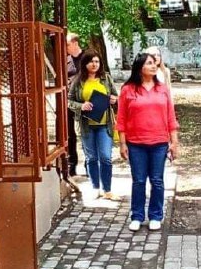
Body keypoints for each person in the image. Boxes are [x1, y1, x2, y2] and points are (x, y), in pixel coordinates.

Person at [116, 53, 179, 232]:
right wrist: (122, 143)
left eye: (154, 63)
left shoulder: (162, 89)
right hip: (135, 143)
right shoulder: (128, 89)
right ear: (140, 67)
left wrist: (174, 142)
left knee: (157, 181)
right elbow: (121, 118)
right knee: (139, 181)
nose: (153, 66)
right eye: (149, 63)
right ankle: (137, 216)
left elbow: (171, 117)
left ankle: (156, 215)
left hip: (159, 143)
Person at [68, 50, 120, 201]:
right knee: (91, 158)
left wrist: (113, 99)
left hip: (104, 124)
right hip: (87, 125)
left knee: (105, 157)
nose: (94, 64)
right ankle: (95, 188)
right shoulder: (78, 80)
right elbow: (69, 101)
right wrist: (81, 106)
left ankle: (107, 190)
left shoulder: (106, 78)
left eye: (97, 61)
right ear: (85, 64)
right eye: (91, 61)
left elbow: (115, 96)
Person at [66, 33, 83, 176]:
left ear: (75, 43)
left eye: (67, 44)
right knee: (69, 133)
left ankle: (90, 165)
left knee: (87, 132)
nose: (65, 47)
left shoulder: (88, 58)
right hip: (70, 101)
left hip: (85, 100)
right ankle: (72, 165)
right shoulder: (65, 59)